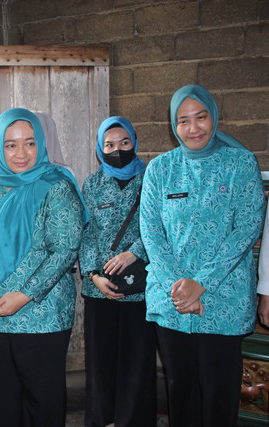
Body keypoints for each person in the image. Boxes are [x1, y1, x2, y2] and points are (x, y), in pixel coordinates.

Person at [140, 84, 265, 426]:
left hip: (223, 301)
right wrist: (181, 289)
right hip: (172, 302)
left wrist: (202, 285)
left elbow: (248, 227)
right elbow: (151, 232)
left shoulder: (240, 163)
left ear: (214, 117)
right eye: (183, 120)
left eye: (201, 117)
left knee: (219, 395)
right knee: (180, 391)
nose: (193, 128)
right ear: (173, 125)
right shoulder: (160, 169)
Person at [0, 108, 88, 426]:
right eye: (10, 144)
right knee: (0, 402)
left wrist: (23, 294)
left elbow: (64, 250)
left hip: (42, 315)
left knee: (41, 403)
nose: (21, 153)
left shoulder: (57, 186)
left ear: (40, 143)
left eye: (29, 143)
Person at [79, 116, 157, 427]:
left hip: (140, 288)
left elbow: (159, 224)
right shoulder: (93, 184)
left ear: (134, 143)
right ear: (100, 148)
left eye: (124, 143)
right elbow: (85, 234)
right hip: (100, 290)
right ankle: (102, 419)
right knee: (101, 363)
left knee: (137, 363)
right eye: (109, 145)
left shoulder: (152, 178)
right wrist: (94, 274)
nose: (117, 150)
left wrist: (134, 252)